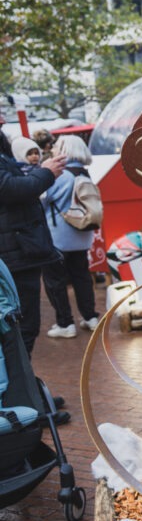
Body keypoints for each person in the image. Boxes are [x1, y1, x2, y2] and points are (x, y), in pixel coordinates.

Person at [0, 114, 67, 356]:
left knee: (22, 327)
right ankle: (22, 392)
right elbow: (10, 189)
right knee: (22, 327)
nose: (3, 118)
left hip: (19, 249)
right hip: (15, 252)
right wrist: (46, 173)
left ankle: (25, 390)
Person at [40, 135, 100, 339]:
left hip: (57, 238)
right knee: (82, 277)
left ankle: (65, 323)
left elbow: (42, 201)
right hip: (82, 236)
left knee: (54, 280)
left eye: (57, 146)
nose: (54, 149)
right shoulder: (84, 173)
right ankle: (90, 316)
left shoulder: (60, 176)